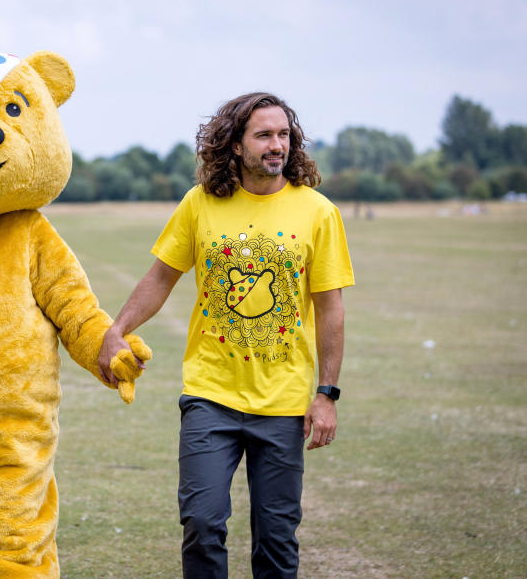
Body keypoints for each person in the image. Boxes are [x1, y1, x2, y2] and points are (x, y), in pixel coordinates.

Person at [98, 92, 354, 578]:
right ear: (236, 145)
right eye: (263, 135)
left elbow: (330, 308)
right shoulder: (200, 204)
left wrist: (326, 394)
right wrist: (118, 329)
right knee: (201, 523)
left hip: (282, 403)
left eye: (283, 134)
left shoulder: (318, 212)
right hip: (210, 394)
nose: (276, 145)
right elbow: (160, 278)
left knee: (277, 538)